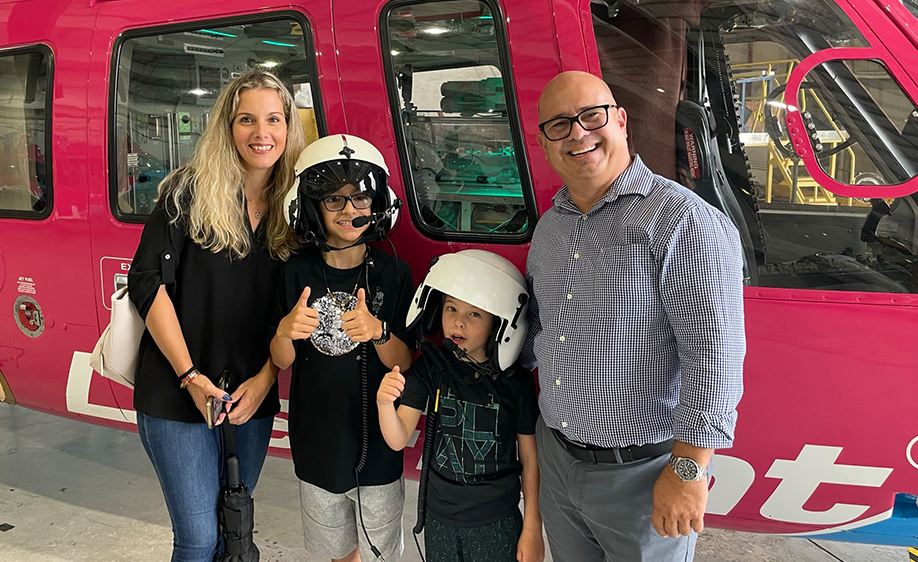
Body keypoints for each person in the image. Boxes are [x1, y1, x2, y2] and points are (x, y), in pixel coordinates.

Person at [524, 70, 746, 562]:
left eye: (591, 116)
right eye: (559, 125)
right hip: (558, 462)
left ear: (621, 121)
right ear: (543, 144)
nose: (578, 133)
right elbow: (540, 331)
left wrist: (688, 471)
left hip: (642, 475)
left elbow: (713, 355)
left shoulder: (682, 221)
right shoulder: (550, 228)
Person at [127, 70, 305, 562]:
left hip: (250, 396)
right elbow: (148, 283)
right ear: (227, 127)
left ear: (289, 127)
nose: (261, 133)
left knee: (235, 531)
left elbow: (294, 312)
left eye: (273, 119)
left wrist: (267, 380)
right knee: (199, 539)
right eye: (246, 119)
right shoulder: (188, 192)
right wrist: (191, 377)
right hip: (178, 391)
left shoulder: (296, 208)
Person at [270, 134, 415, 562]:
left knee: (380, 554)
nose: (350, 211)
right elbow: (282, 360)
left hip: (379, 452)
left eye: (361, 198)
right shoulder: (295, 273)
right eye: (334, 200)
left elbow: (405, 361)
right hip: (318, 443)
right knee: (335, 552)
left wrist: (378, 332)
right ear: (311, 206)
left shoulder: (394, 273)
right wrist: (285, 331)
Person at [376, 249, 545, 562]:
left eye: (475, 314)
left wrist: (533, 523)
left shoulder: (515, 382)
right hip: (440, 518)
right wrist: (385, 404)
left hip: (497, 520)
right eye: (451, 308)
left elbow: (530, 458)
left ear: (499, 323)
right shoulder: (431, 367)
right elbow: (398, 438)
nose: (458, 322)